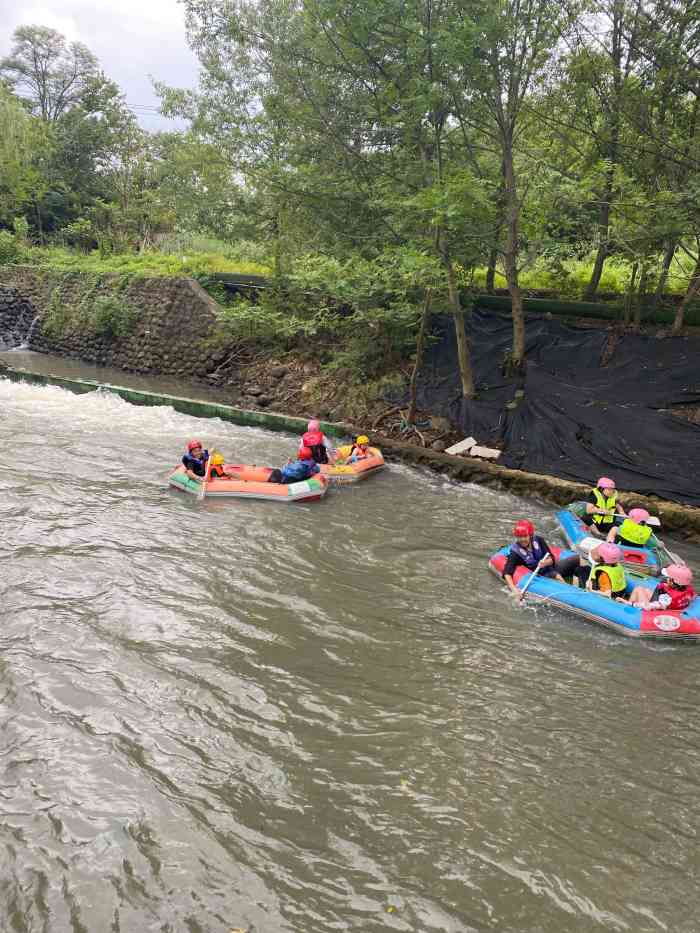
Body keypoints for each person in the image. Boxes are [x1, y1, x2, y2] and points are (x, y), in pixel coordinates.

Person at [503, 520, 589, 599]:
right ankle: (576, 596)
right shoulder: (515, 552)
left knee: (579, 558)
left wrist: (545, 563)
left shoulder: (539, 540)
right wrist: (513, 589)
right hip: (541, 575)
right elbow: (507, 572)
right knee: (557, 576)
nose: (522, 539)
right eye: (519, 537)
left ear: (530, 535)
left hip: (551, 567)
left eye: (525, 536)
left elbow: (551, 558)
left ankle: (584, 584)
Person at [625, 564, 696, 610]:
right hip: (668, 606)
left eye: (668, 577)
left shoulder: (667, 596)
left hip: (655, 611)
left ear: (674, 581)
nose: (666, 579)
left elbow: (650, 606)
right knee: (644, 590)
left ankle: (627, 608)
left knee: (638, 589)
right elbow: (692, 597)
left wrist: (631, 603)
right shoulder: (689, 589)